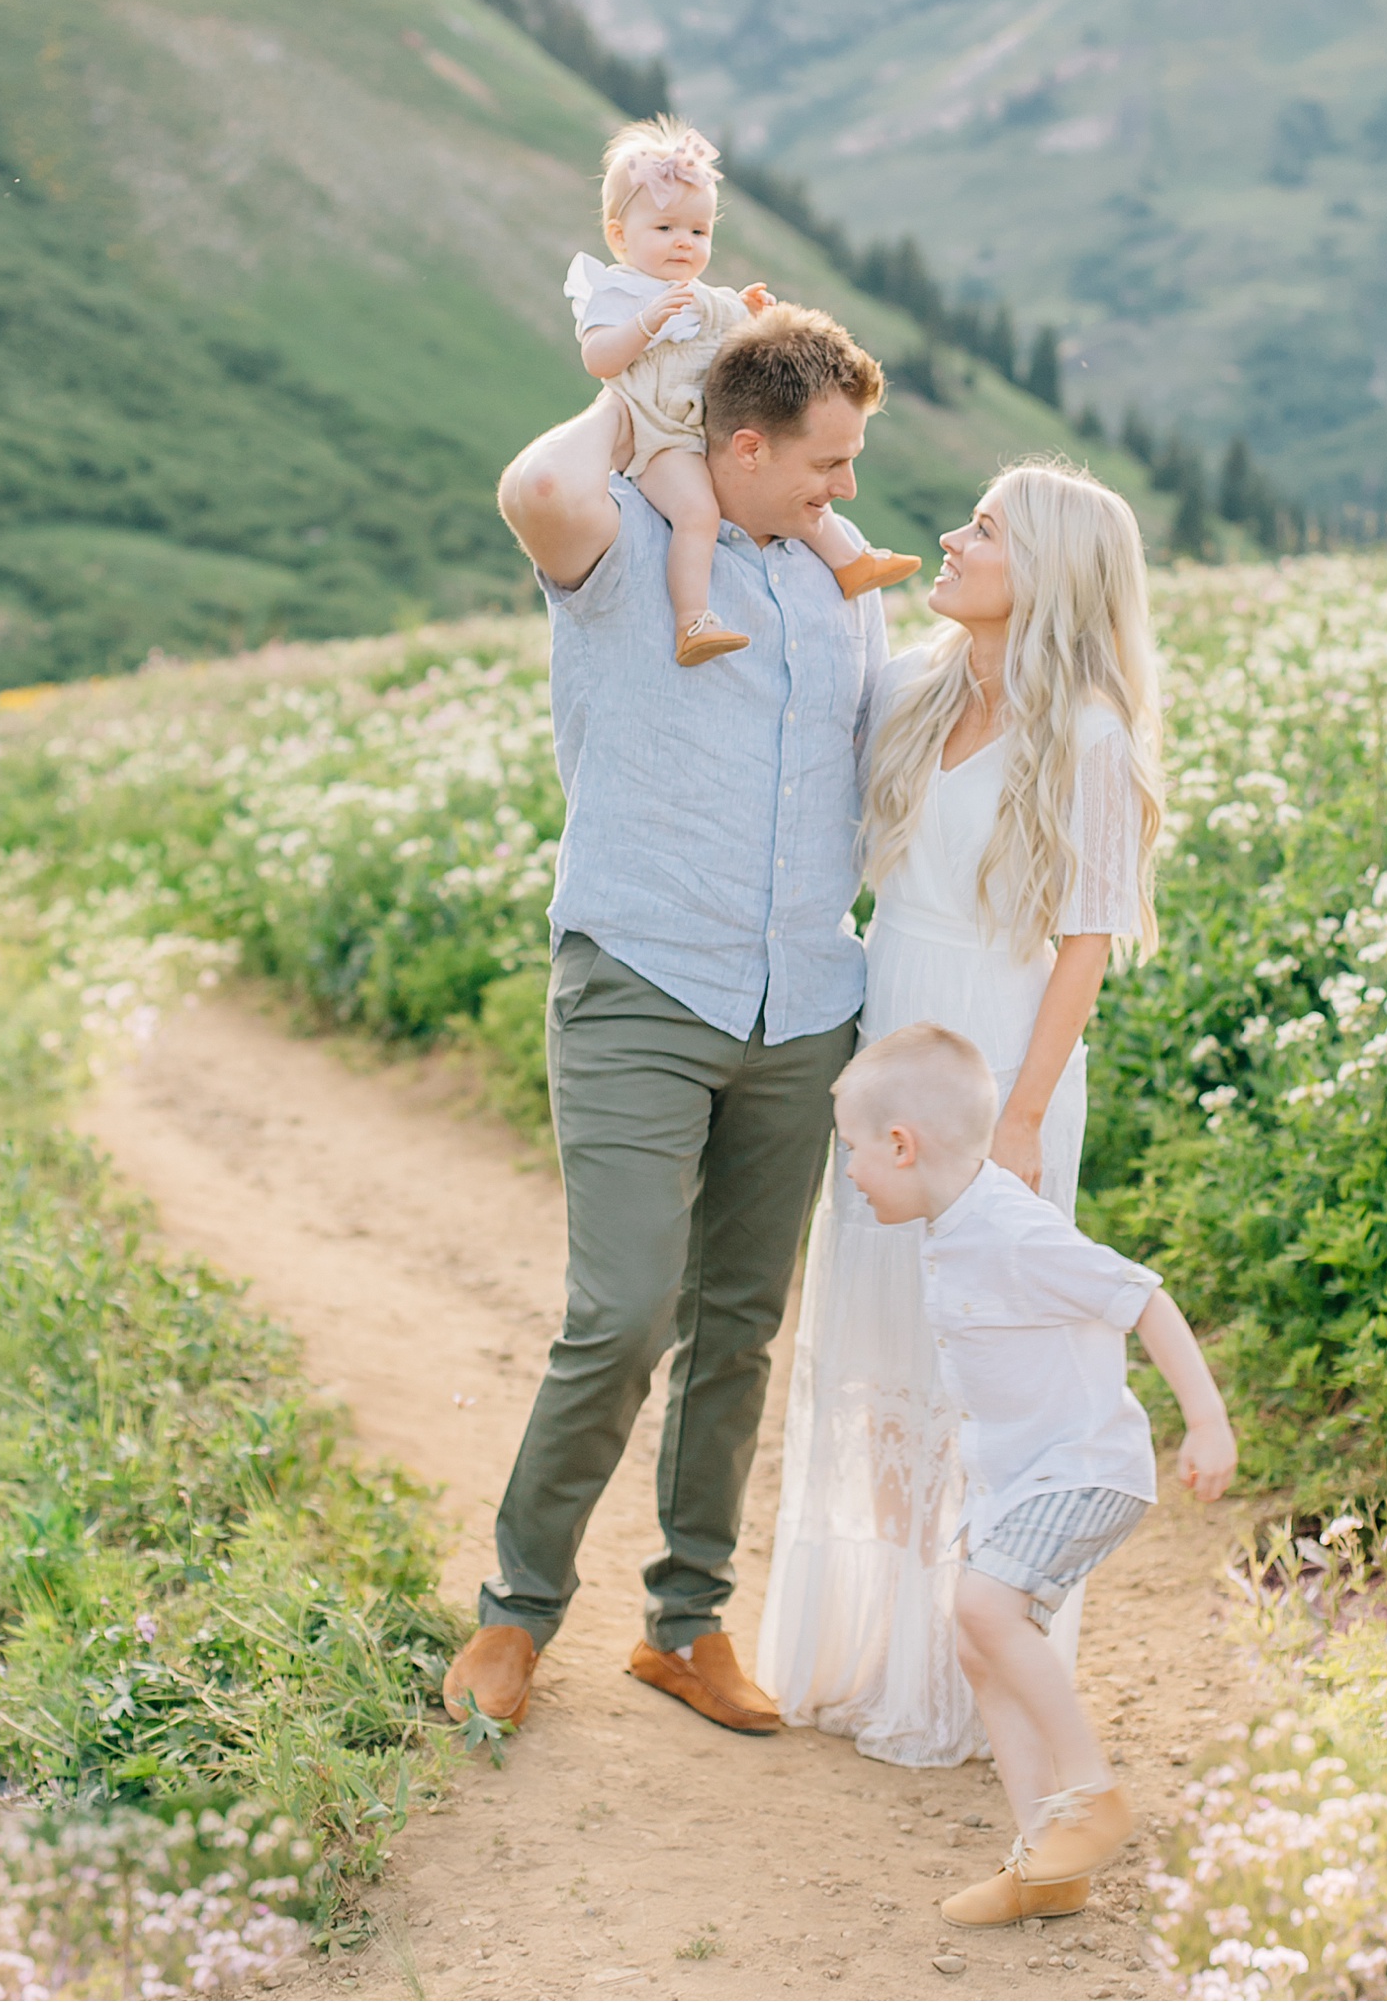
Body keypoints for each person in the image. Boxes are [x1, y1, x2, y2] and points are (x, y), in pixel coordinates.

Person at [441, 303, 895, 1741]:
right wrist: (645, 381)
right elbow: (532, 489)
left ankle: (686, 1621)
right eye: (826, 462)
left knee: (739, 1325)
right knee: (622, 1308)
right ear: (740, 445)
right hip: (642, 974)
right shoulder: (621, 551)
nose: (847, 488)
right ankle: (517, 1608)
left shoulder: (846, 581)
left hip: (805, 999)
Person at [759, 460, 1165, 1764]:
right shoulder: (924, 690)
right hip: (896, 1028)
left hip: (996, 1060)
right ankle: (877, 1645)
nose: (953, 536)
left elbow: (1085, 943)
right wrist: (808, 506)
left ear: (1041, 570)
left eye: (983, 529)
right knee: (880, 1337)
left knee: (978, 1361)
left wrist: (1026, 1114)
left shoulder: (1089, 732)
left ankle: (963, 1667)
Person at [829, 1022, 1237, 1928]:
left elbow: (1142, 1296)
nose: (850, 1171)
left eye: (852, 1149)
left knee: (983, 1608)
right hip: (1017, 1480)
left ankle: (1091, 1795)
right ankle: (1045, 1864)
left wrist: (1206, 1420)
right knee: (978, 1640)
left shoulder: (1011, 1227)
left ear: (902, 1144)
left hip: (1083, 1466)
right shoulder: (952, 1224)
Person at [563, 117, 917, 664]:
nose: (684, 242)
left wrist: (748, 311)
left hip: (707, 426)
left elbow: (730, 347)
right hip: (660, 437)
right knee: (699, 513)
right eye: (664, 230)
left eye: (698, 232)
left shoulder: (700, 294)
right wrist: (645, 324)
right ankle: (693, 619)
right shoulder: (618, 293)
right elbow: (598, 359)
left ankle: (852, 563)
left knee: (794, 486)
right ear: (618, 236)